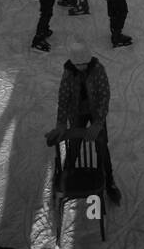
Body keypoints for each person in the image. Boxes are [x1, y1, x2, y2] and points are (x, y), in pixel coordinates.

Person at [45, 39, 122, 206]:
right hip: (76, 113)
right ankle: (67, 176)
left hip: (95, 113)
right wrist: (61, 123)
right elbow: (63, 97)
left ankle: (109, 181)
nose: (81, 67)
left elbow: (104, 95)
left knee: (102, 148)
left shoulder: (97, 69)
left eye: (84, 64)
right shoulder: (69, 72)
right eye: (78, 65)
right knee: (74, 146)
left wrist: (98, 122)